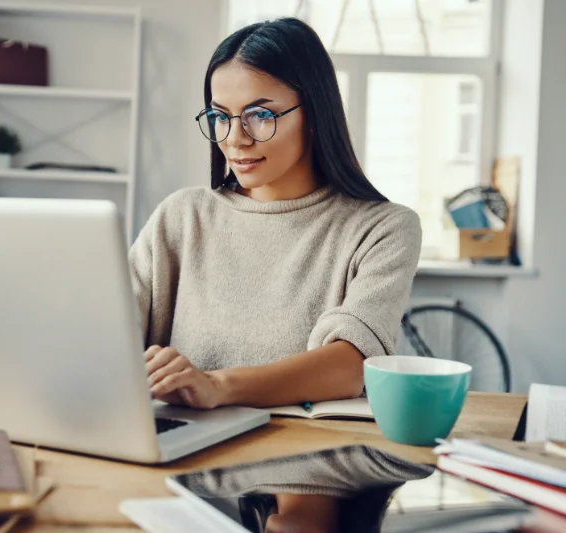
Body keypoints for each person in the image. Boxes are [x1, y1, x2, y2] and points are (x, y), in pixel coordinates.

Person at [128, 18, 422, 409]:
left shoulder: (383, 229)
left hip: (304, 458)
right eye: (220, 117)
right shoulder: (180, 217)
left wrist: (218, 385)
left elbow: (350, 366)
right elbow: (108, 332)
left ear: (315, 115)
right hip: (182, 451)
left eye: (259, 115)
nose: (235, 139)